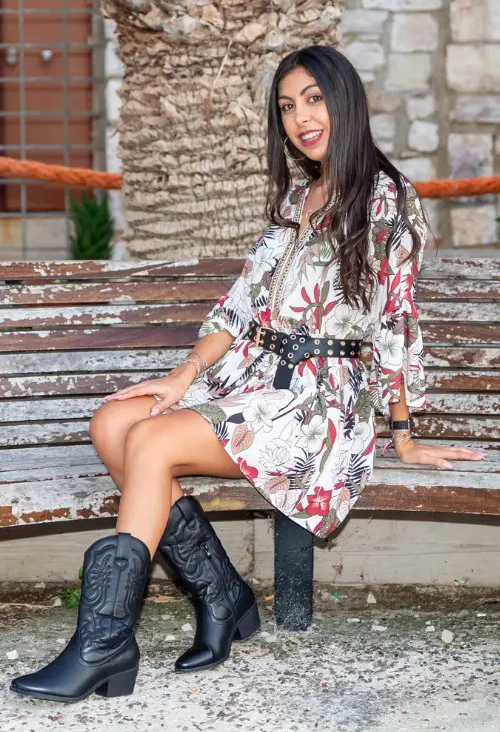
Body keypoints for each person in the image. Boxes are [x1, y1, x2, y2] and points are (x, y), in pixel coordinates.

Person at [10, 44, 485, 703]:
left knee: (149, 443)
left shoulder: (386, 201)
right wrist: (180, 378)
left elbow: (395, 324)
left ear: (345, 100)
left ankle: (104, 644)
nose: (300, 117)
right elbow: (237, 310)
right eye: (287, 106)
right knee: (115, 420)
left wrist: (403, 433)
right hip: (253, 379)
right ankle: (223, 596)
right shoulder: (296, 197)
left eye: (313, 99)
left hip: (321, 407)